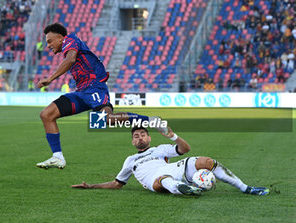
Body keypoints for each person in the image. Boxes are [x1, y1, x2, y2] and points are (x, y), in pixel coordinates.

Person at [36, 23, 166, 170]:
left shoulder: (70, 40)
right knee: (46, 114)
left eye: (49, 41)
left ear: (60, 38)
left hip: (94, 87)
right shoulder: (67, 47)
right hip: (81, 92)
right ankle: (58, 157)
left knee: (108, 119)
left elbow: (71, 59)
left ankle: (152, 121)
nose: (48, 45)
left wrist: (51, 78)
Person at [72, 126, 270, 196]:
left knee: (207, 161)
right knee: (163, 181)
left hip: (174, 168)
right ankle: (187, 189)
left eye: (142, 135)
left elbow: (185, 149)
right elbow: (117, 184)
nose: (139, 138)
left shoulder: (160, 149)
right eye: (136, 136)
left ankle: (245, 188)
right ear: (132, 142)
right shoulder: (130, 160)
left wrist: (173, 136)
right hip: (154, 180)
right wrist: (91, 186)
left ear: (149, 138)